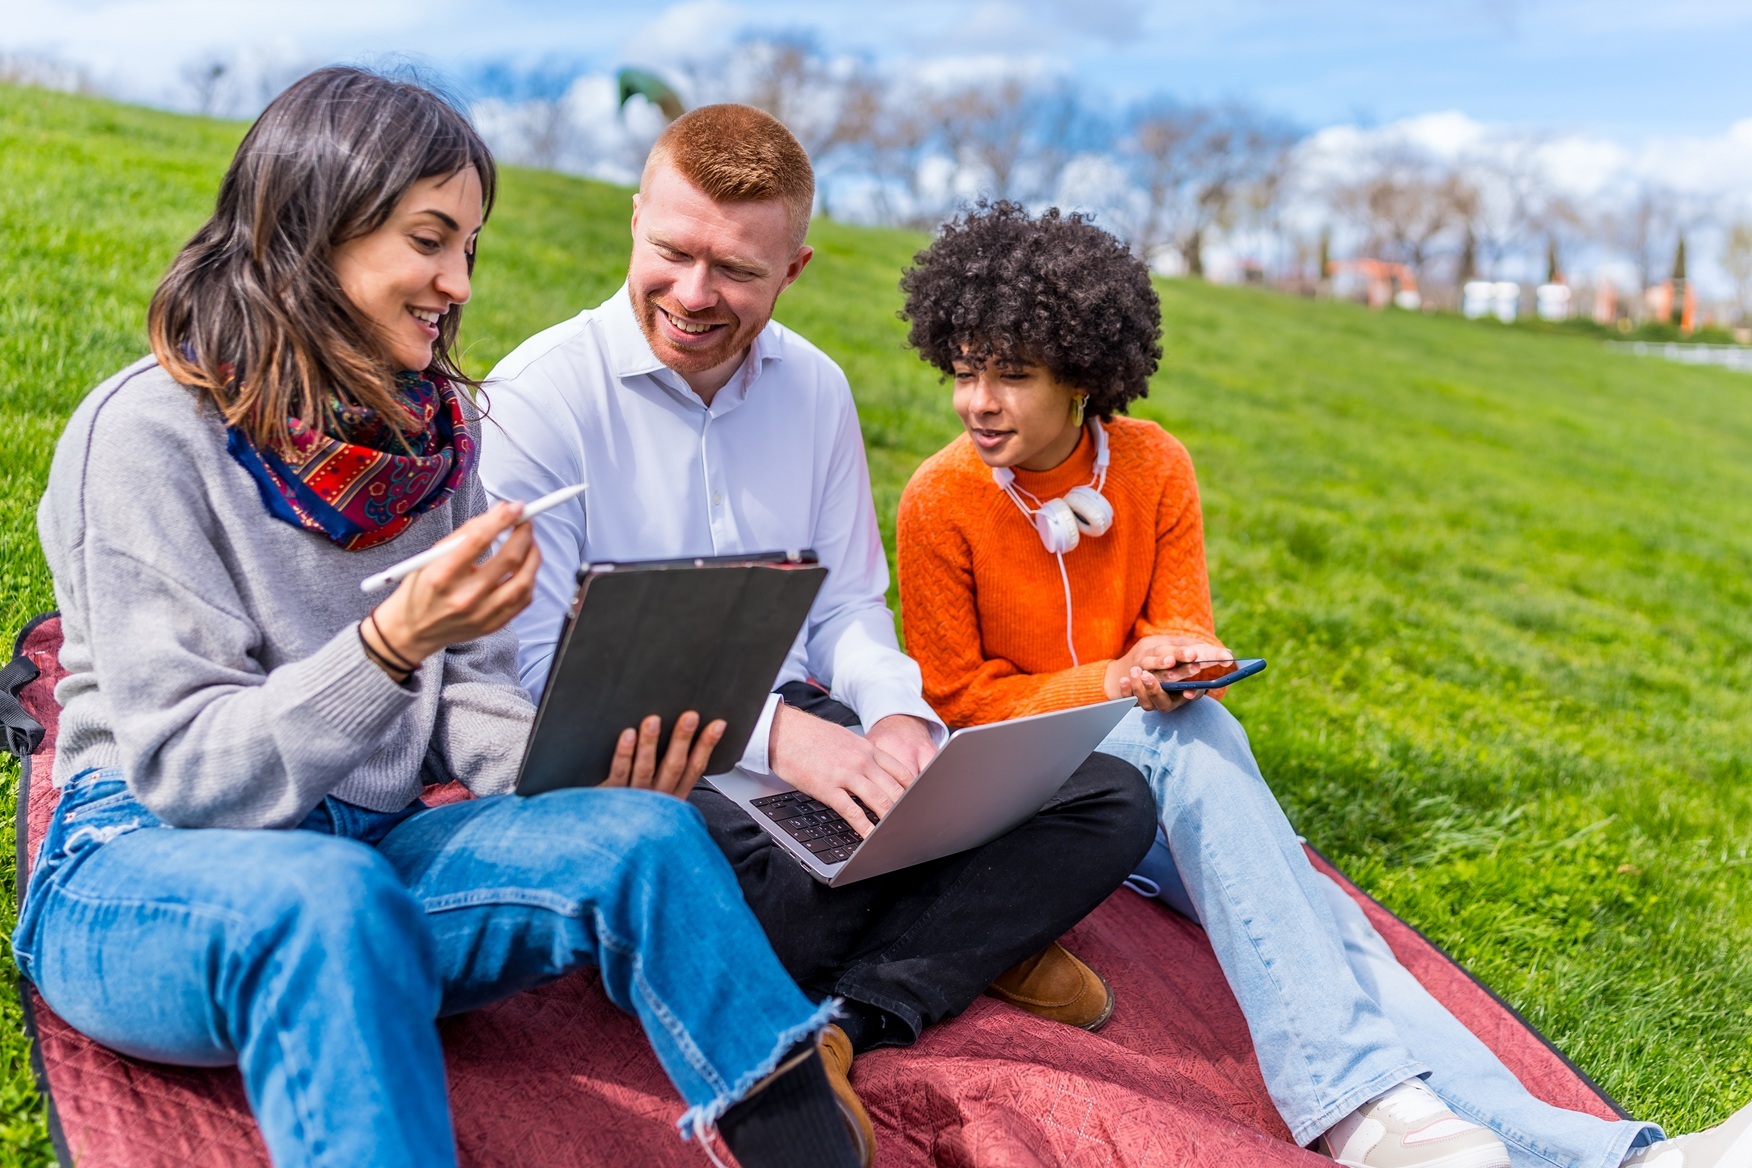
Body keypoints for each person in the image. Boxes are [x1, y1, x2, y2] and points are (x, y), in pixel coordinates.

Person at [15, 68, 865, 1168]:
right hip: (148, 866)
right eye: (430, 240)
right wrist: (386, 644)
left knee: (647, 835)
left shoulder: (440, 436)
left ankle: (800, 1134)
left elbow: (467, 702)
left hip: (383, 850)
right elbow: (189, 772)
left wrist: (588, 769)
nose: (458, 282)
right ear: (318, 223)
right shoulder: (146, 433)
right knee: (332, 898)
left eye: (469, 246)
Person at [894, 200, 1752, 1168]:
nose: (979, 401)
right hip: (1025, 779)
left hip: (1153, 760)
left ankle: (1620, 1160)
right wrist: (1113, 678)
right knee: (1201, 754)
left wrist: (1181, 661)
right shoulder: (938, 498)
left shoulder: (1154, 463)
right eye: (964, 371)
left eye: (1011, 374)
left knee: (1330, 930)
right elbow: (958, 698)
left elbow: (1183, 625)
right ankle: (1352, 1108)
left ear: (1084, 375)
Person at [477, 105, 1158, 1162]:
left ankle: (853, 1019)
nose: (696, 294)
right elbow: (533, 672)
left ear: (793, 268)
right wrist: (780, 739)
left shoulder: (816, 390)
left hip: (817, 727)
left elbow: (846, 606)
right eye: (673, 252)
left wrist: (896, 717)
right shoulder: (538, 396)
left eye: (737, 270)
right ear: (634, 223)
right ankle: (971, 924)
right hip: (641, 764)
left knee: (1108, 794)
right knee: (729, 884)